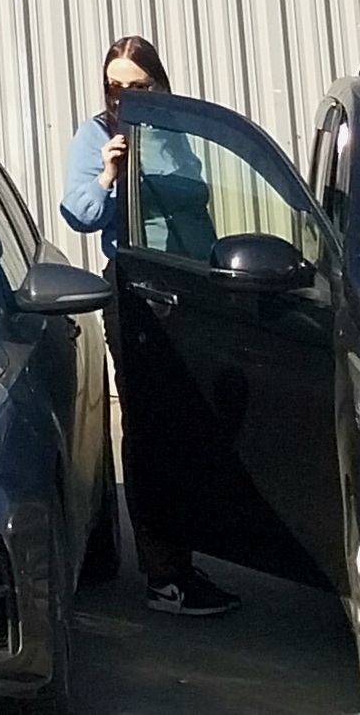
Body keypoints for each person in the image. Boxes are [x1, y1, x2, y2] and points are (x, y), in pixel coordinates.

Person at [59, 34, 240, 619]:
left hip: (192, 288)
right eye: (115, 87)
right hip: (137, 293)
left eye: (138, 86)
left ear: (160, 83)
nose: (126, 97)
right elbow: (79, 213)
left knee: (195, 423)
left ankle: (188, 558)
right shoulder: (96, 134)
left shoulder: (179, 132)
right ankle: (163, 574)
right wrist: (110, 173)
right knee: (149, 428)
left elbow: (201, 201)